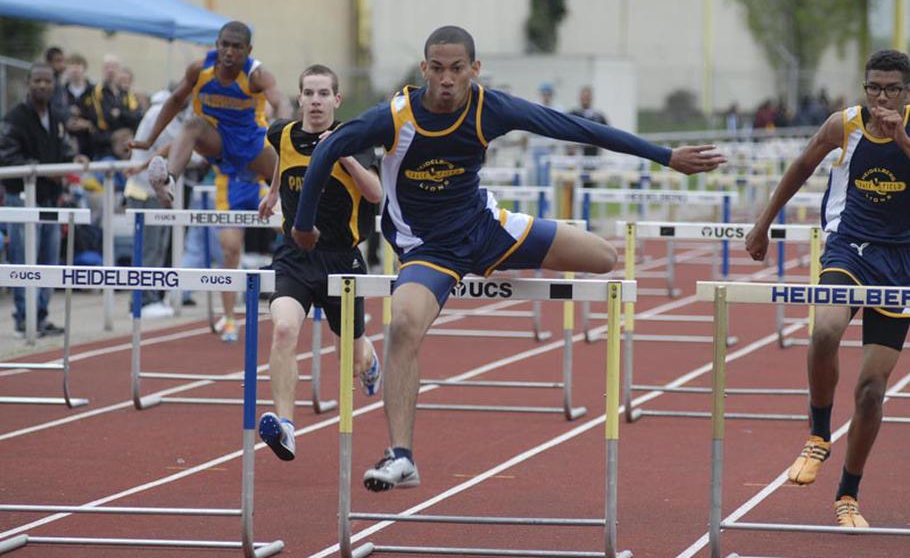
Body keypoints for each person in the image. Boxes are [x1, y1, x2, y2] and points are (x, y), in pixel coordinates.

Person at [291, 26, 725, 490]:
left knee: (603, 257)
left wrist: (664, 156)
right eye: (437, 69)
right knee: (402, 325)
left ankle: (499, 253)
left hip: (486, 230)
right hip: (428, 248)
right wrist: (303, 223)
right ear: (424, 70)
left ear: (473, 71)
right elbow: (331, 147)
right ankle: (402, 457)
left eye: (457, 69)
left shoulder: (489, 107)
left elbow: (574, 126)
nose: (446, 80)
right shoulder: (395, 117)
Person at [745, 49, 910, 528]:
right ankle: (818, 435)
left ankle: (848, 494)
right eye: (873, 87)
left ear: (905, 91)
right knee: (824, 331)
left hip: (900, 263)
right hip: (850, 249)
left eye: (891, 89)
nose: (881, 97)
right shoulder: (845, 125)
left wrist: (901, 139)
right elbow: (800, 166)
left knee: (871, 393)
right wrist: (762, 226)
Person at [255, 64, 383, 461]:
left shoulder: (355, 139)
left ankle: (370, 357)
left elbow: (376, 194)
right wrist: (274, 192)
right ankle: (288, 428)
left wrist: (344, 157)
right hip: (294, 257)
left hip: (342, 260)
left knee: (352, 357)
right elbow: (282, 158)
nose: (315, 101)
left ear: (336, 100)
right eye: (308, 93)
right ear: (299, 98)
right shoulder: (283, 132)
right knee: (283, 329)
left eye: (323, 93)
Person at [129, 20, 291, 208]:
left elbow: (281, 102)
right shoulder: (199, 70)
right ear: (217, 45)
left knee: (287, 174)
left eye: (237, 47)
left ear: (249, 49)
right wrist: (149, 140)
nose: (229, 52)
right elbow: (174, 101)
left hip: (250, 141)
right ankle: (169, 181)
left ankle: (298, 206)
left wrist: (286, 137)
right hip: (216, 139)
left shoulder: (257, 75)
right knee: (193, 125)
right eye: (225, 45)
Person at [0, 63, 87, 336]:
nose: (42, 85)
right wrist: (41, 171)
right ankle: (24, 318)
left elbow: (63, 150)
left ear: (53, 84)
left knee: (49, 259)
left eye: (47, 81)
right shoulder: (15, 117)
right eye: (37, 80)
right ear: (28, 83)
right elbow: (7, 156)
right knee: (25, 260)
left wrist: (74, 159)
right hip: (23, 198)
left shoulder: (57, 116)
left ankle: (41, 315)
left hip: (51, 199)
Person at [211, 164, 269, 342]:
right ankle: (229, 318)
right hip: (230, 186)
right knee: (230, 252)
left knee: (292, 230)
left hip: (260, 184)